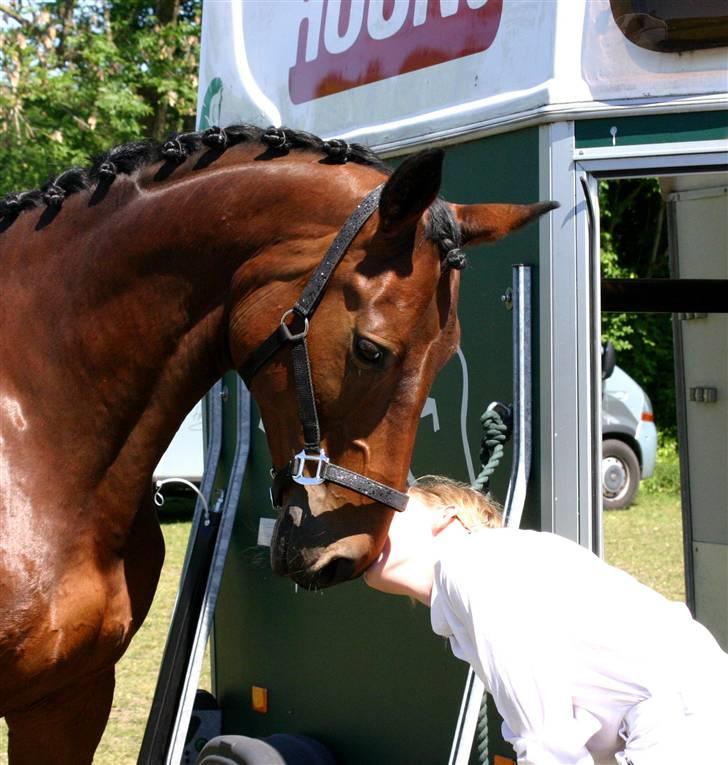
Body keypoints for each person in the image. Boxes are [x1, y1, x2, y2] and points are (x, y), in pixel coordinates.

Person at [364, 475, 728, 765]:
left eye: (391, 512)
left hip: (684, 723)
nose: (373, 525)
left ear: (447, 516)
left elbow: (547, 742)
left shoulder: (473, 563)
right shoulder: (480, 578)